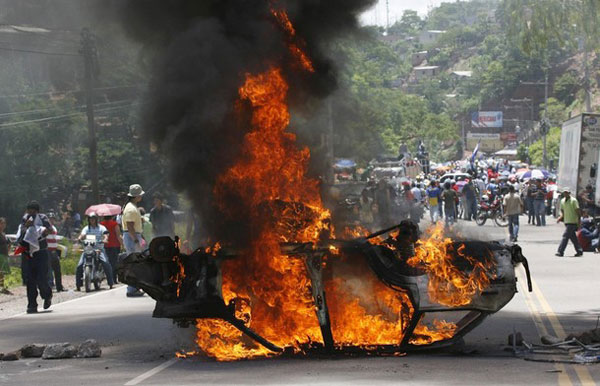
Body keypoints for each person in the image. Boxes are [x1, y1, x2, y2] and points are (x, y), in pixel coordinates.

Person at [16, 201, 52, 313]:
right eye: (29, 210)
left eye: (33, 211)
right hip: (28, 253)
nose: (30, 213)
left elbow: (49, 229)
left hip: (41, 252)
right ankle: (32, 304)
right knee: (30, 280)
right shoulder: (25, 219)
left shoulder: (43, 218)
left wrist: (44, 231)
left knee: (42, 278)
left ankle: (47, 296)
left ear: (37, 211)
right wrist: (26, 227)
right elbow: (20, 234)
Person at [75, 213, 114, 291]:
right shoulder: (86, 228)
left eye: (93, 219)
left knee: (106, 263)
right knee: (79, 265)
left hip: (99, 249)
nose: (92, 220)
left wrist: (105, 239)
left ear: (96, 219)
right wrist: (79, 238)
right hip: (88, 249)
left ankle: (110, 282)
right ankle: (78, 285)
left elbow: (106, 234)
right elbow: (82, 234)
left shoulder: (101, 228)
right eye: (90, 219)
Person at [122, 184, 145, 297]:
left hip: (133, 236)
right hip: (132, 237)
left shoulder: (131, 206)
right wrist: (136, 240)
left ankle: (134, 287)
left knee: (136, 263)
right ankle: (132, 289)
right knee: (134, 264)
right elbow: (130, 226)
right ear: (136, 196)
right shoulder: (131, 208)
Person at [556, 188, 583, 257]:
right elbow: (563, 211)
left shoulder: (573, 201)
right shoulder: (562, 201)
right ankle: (579, 250)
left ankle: (560, 251)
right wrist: (560, 218)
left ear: (569, 193)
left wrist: (579, 221)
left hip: (573, 221)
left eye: (567, 192)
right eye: (564, 192)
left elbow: (578, 211)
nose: (565, 194)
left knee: (565, 236)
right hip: (567, 221)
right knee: (573, 237)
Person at [101, 215, 123, 285]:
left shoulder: (101, 224)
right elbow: (118, 235)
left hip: (105, 245)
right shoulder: (115, 224)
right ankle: (114, 278)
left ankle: (108, 278)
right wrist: (122, 244)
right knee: (114, 263)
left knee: (107, 262)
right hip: (115, 245)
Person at [46, 213, 63, 292]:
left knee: (57, 269)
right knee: (49, 269)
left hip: (54, 250)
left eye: (52, 219)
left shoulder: (54, 228)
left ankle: (59, 286)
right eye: (50, 219)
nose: (51, 220)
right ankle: (50, 285)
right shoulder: (44, 228)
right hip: (47, 250)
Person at [0, 217, 12, 295]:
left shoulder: (4, 234)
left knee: (2, 272)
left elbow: (9, 243)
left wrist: (8, 250)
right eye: (2, 223)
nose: (3, 225)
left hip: (4, 255)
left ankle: (2, 287)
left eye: (4, 223)